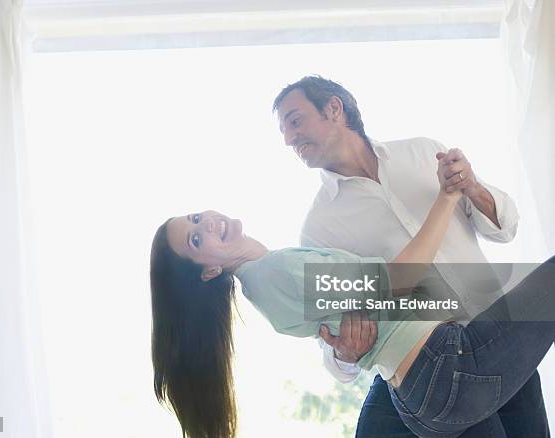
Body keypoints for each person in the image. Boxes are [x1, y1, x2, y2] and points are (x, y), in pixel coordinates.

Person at [150, 181, 555, 438]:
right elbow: (401, 277)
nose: (207, 226)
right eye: (196, 241)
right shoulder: (278, 272)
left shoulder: (263, 289)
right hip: (446, 369)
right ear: (209, 272)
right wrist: (448, 197)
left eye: (196, 219)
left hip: (425, 399)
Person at [271, 75, 548, 437]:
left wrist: (474, 188)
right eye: (284, 131)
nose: (290, 138)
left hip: (499, 342)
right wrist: (344, 353)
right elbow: (331, 348)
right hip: (429, 369)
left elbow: (506, 227)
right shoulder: (319, 229)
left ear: (334, 109)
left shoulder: (422, 153)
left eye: (295, 121)